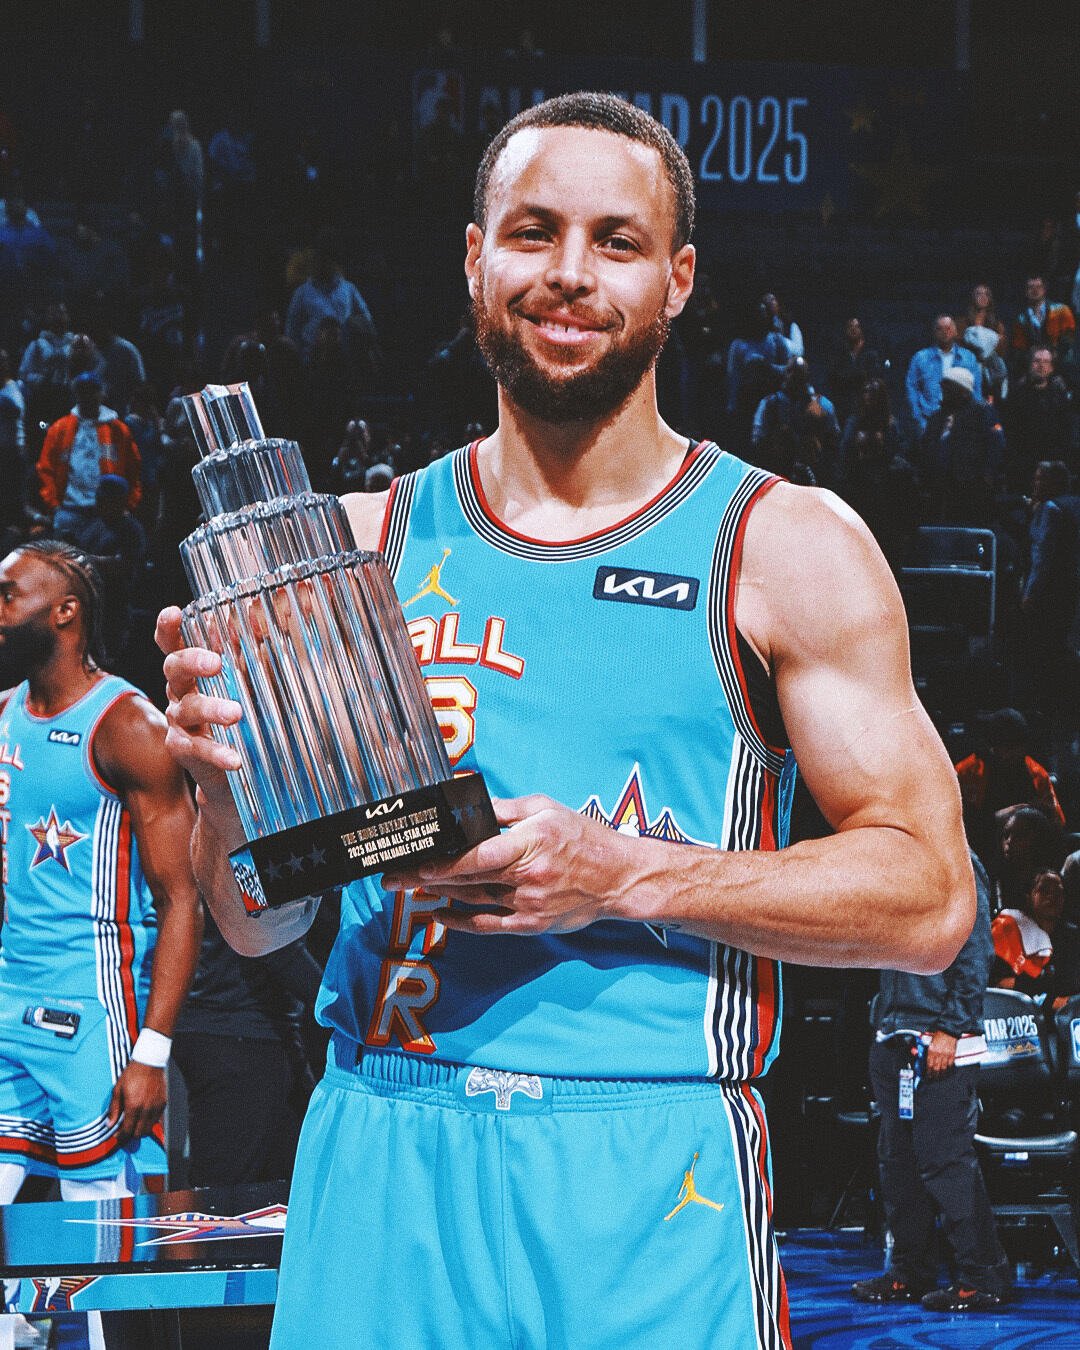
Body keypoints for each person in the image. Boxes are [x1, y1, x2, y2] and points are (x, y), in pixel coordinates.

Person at [158, 92, 974, 1350]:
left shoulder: (781, 546)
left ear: (679, 278)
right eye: (534, 233)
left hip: (647, 1162)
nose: (570, 275)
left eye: (618, 241)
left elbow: (931, 902)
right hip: (382, 1142)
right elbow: (258, 914)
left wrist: (629, 873)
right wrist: (219, 780)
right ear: (476, 257)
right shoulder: (358, 545)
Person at [0, 540, 200, 1206]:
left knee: (99, 1248)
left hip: (90, 1014)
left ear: (65, 612)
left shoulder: (128, 726)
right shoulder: (3, 713)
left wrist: (152, 1051)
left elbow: (180, 898)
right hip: (7, 1001)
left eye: (7, 594)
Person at [852, 854, 1009, 1311]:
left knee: (945, 1161)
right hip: (894, 1036)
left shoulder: (958, 861)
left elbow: (977, 949)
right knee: (897, 1161)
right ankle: (910, 1272)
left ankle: (984, 1276)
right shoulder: (898, 866)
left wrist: (953, 1028)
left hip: (941, 1040)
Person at [36, 372, 141, 540]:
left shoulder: (118, 430)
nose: (88, 396)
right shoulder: (60, 429)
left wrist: (128, 505)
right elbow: (45, 469)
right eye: (82, 391)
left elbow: (133, 470)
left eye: (92, 390)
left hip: (107, 516)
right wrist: (54, 505)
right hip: (69, 511)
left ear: (102, 393)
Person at [905, 314, 982, 438]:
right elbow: (912, 390)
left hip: (961, 421)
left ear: (956, 331)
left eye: (948, 328)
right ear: (934, 332)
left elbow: (976, 391)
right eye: (940, 328)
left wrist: (974, 421)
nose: (945, 332)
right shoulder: (920, 358)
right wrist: (918, 419)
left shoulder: (969, 358)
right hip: (928, 420)